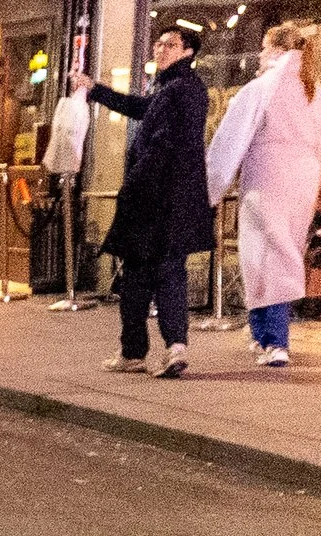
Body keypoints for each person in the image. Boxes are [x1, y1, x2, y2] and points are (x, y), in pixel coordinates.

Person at [74, 24, 211, 378]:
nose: (160, 49)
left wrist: (134, 186)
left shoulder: (180, 89)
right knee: (167, 272)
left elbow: (161, 146)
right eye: (159, 43)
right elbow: (139, 108)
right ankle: (171, 347)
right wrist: (96, 90)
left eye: (170, 44)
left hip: (155, 199)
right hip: (172, 200)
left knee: (140, 275)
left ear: (188, 52)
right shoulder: (175, 88)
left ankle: (137, 352)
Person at [207, 23, 321, 365]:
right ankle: (263, 333)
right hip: (302, 185)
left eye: (264, 48)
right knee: (285, 252)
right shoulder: (315, 92)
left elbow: (230, 141)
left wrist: (211, 187)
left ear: (276, 50)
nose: (260, 55)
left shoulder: (262, 88)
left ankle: (274, 339)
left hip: (266, 179)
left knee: (263, 257)